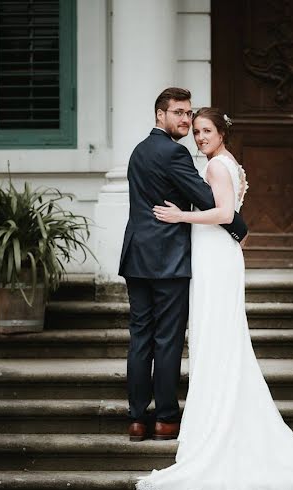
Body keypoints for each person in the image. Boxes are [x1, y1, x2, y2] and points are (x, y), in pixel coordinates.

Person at [135, 107, 293, 490]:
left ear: (222, 133)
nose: (200, 137)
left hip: (214, 256)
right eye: (197, 131)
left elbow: (226, 214)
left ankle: (216, 424)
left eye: (207, 131)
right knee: (213, 336)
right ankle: (214, 414)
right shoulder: (220, 163)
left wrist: (179, 215)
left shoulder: (218, 167)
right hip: (214, 253)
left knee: (216, 335)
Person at [118, 88, 249, 443]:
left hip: (136, 256)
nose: (186, 121)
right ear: (159, 115)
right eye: (178, 113)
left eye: (189, 114)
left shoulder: (137, 152)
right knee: (167, 339)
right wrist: (240, 228)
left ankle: (135, 418)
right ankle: (165, 418)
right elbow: (208, 199)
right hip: (169, 260)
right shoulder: (174, 153)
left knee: (140, 336)